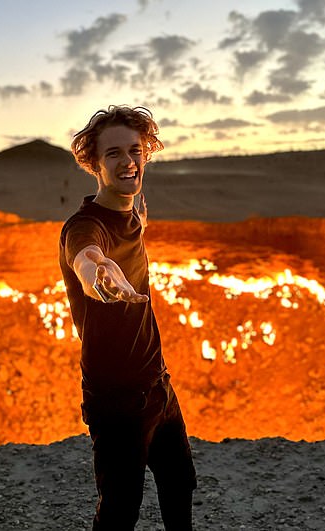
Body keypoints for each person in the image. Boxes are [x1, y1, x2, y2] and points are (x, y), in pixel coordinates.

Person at [59, 105, 197, 530]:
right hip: (117, 400)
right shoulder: (84, 226)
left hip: (158, 385)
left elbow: (127, 230)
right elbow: (85, 252)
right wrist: (95, 270)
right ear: (94, 164)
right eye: (114, 154)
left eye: (135, 151)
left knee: (180, 484)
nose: (128, 161)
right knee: (119, 512)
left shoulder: (132, 214)